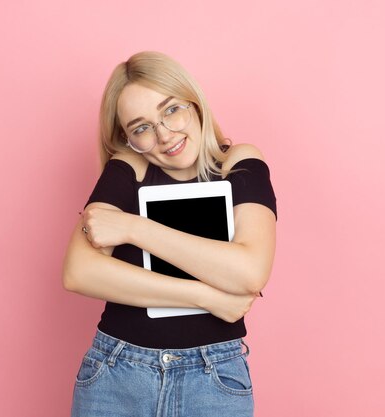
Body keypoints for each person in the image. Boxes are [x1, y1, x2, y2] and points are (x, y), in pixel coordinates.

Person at [62, 51, 277, 417]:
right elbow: (79, 272)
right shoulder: (129, 166)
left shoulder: (238, 164)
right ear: (127, 139)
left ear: (194, 103)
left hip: (214, 378)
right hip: (118, 371)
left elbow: (250, 271)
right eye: (141, 127)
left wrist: (134, 227)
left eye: (171, 109)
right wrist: (207, 297)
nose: (165, 135)